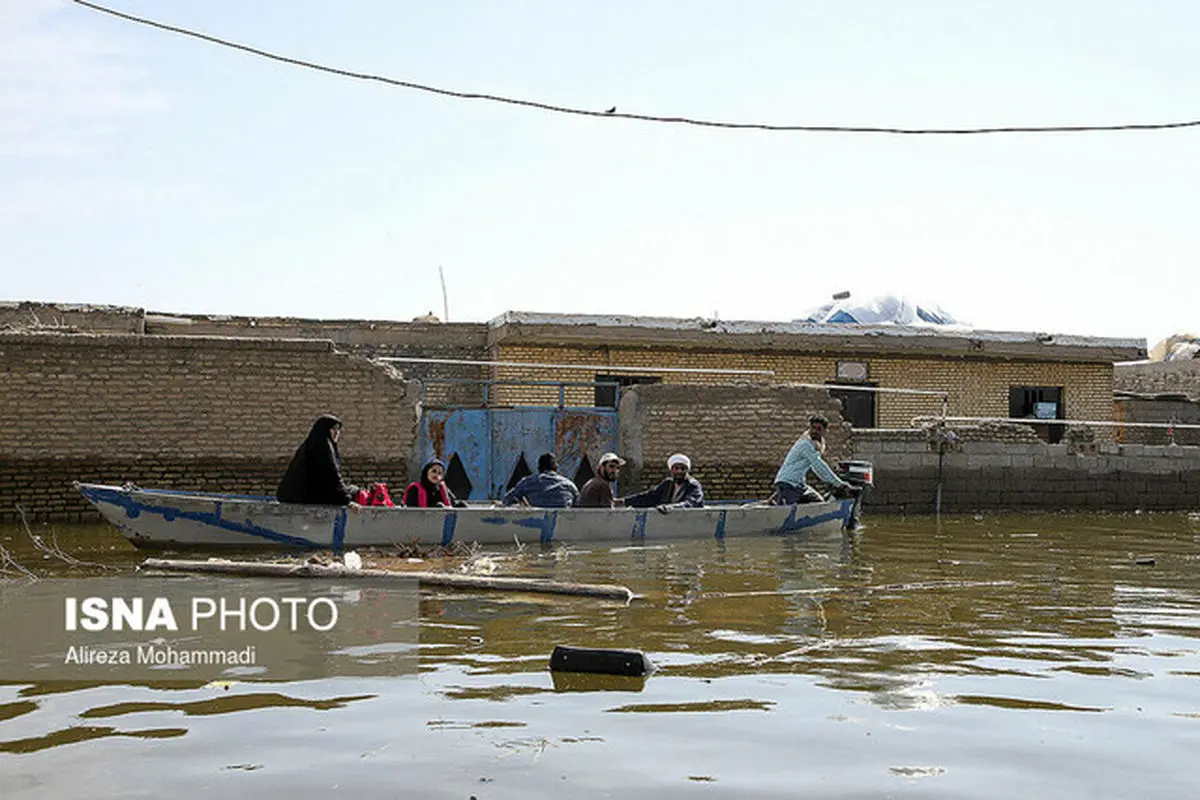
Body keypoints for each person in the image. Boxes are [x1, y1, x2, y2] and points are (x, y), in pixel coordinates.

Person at [772, 415, 858, 505]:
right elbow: (819, 466)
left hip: (800, 485)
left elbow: (816, 468)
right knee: (787, 512)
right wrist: (840, 484)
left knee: (819, 503)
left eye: (818, 429)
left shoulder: (818, 445)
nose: (814, 431)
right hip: (788, 485)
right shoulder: (805, 444)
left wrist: (835, 483)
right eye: (813, 428)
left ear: (824, 431)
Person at [276, 413, 359, 506]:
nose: (336, 433)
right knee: (353, 492)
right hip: (303, 497)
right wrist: (347, 501)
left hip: (293, 496)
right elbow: (332, 476)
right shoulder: (322, 447)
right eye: (333, 429)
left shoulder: (311, 444)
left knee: (352, 489)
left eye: (338, 430)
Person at [621, 453, 704, 513]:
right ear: (671, 470)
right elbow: (650, 497)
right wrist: (625, 501)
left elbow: (691, 503)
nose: (679, 471)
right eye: (676, 468)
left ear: (687, 470)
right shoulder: (667, 484)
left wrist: (671, 507)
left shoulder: (693, 485)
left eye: (683, 469)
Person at [502, 453, 580, 508]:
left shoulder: (527, 482)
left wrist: (520, 503)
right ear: (556, 468)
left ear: (539, 468)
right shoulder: (569, 484)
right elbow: (578, 504)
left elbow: (507, 500)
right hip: (564, 523)